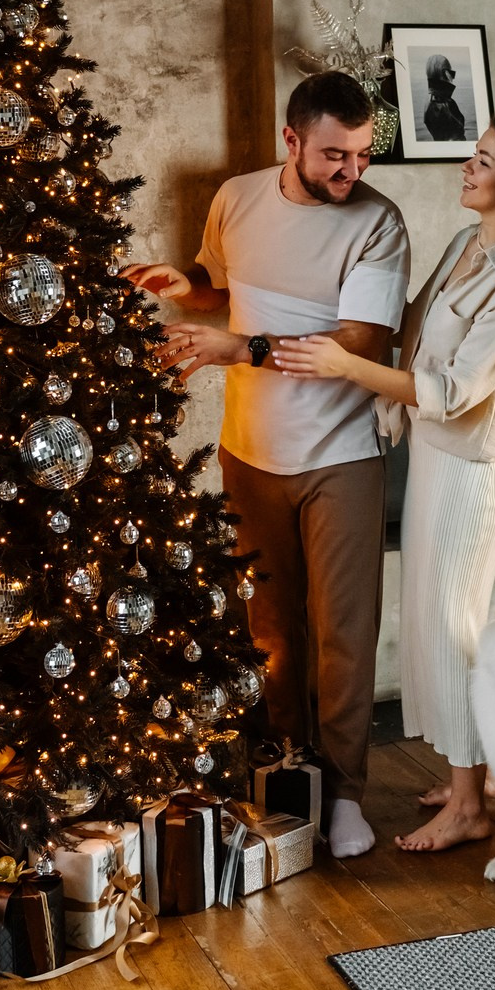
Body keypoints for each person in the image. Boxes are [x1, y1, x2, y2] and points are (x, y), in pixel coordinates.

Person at [274, 115, 495, 852]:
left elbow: (451, 391)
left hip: (478, 464)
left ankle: (471, 804)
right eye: (472, 154)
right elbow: (413, 336)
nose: (466, 167)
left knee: (450, 626)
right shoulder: (466, 245)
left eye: (482, 160)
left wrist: (346, 368)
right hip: (441, 454)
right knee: (449, 622)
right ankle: (483, 774)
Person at [124, 71, 410, 858]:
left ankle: (347, 792)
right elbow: (225, 288)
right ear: (290, 142)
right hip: (250, 452)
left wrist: (238, 350)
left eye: (360, 155)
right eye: (333, 156)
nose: (351, 173)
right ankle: (288, 765)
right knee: (268, 627)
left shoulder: (377, 223)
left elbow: (360, 344)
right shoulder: (236, 198)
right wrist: (192, 287)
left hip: (341, 454)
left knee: (342, 634)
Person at [423, 54, 465, 142]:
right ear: (445, 73)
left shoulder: (431, 100)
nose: (452, 77)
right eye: (450, 72)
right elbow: (455, 136)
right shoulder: (442, 104)